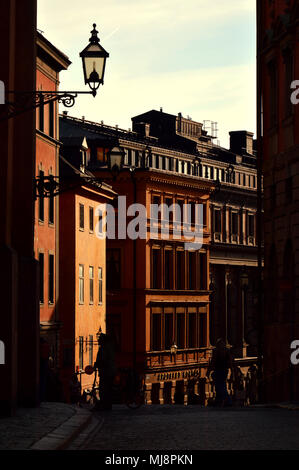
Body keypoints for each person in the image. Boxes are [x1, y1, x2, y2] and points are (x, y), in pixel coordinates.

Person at [207, 338, 234, 406]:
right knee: (222, 385)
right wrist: (232, 373)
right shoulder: (227, 350)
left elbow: (213, 361)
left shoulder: (216, 351)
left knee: (219, 386)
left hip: (218, 370)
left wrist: (208, 371)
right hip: (225, 371)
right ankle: (219, 400)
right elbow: (230, 363)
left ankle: (227, 401)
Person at [94, 333, 116, 410]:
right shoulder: (109, 347)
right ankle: (107, 405)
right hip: (109, 372)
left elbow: (103, 360)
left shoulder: (104, 348)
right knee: (108, 389)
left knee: (103, 389)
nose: (98, 340)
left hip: (106, 372)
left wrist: (97, 364)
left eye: (100, 339)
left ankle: (104, 405)